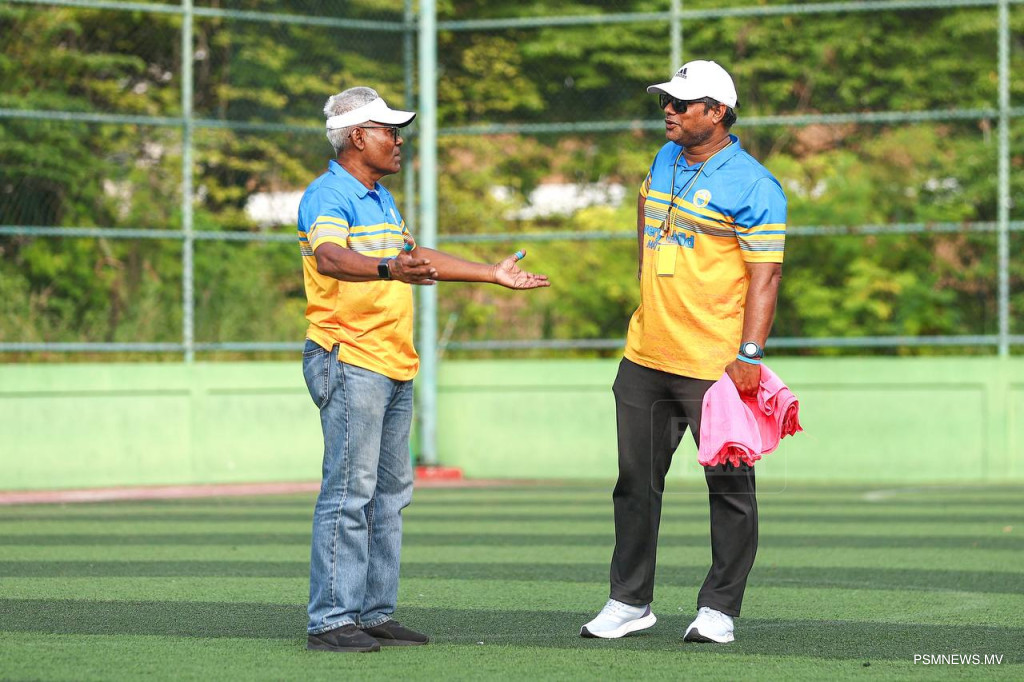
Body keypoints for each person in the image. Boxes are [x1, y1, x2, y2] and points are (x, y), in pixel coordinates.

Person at [299, 86, 549, 653]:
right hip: (349, 357)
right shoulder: (328, 195)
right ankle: (330, 620)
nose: (398, 141)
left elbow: (417, 259)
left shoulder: (379, 198)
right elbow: (330, 257)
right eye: (389, 131)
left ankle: (372, 612)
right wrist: (388, 269)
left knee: (389, 494)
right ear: (357, 136)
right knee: (350, 492)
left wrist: (490, 273)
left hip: (391, 360)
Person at [580, 60, 786, 644]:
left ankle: (719, 608)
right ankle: (629, 601)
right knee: (634, 485)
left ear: (718, 113)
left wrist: (750, 354)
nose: (668, 111)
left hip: (716, 367)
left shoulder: (755, 185)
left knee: (730, 489)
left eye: (681, 103)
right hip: (646, 356)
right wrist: (645, 284)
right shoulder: (665, 157)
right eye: (664, 101)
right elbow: (644, 213)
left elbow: (766, 276)